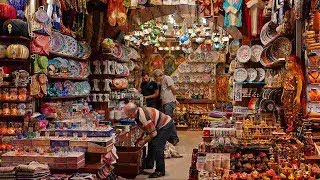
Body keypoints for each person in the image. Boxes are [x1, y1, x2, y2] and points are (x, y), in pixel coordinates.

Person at [123, 102, 175, 178]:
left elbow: (153, 134)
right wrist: (140, 138)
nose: (126, 116)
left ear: (131, 114)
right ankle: (149, 164)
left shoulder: (143, 117)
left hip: (165, 125)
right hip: (158, 126)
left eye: (126, 114)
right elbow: (146, 130)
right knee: (151, 143)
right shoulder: (138, 112)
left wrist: (143, 141)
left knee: (157, 146)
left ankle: (160, 171)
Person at [153, 69, 179, 145]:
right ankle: (171, 137)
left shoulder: (167, 78)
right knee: (167, 120)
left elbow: (173, 89)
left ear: (158, 76)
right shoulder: (162, 81)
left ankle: (174, 138)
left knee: (169, 121)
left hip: (169, 103)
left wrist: (174, 99)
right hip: (166, 103)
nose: (156, 80)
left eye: (156, 78)